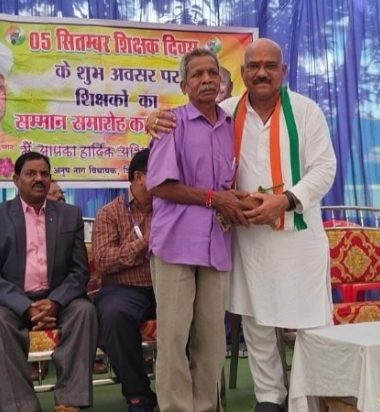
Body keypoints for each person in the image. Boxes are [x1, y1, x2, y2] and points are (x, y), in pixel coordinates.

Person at [149, 38, 337, 412]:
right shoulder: (226, 111)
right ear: (242, 73)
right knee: (255, 318)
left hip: (297, 233)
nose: (262, 72)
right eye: (254, 66)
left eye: (271, 65)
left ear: (284, 71)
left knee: (310, 322)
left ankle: (310, 401)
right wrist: (151, 120)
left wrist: (286, 200)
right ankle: (269, 398)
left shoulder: (306, 111)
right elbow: (179, 123)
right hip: (246, 237)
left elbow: (325, 168)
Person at [147, 47, 249, 412]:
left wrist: (235, 200)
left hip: (217, 243)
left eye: (212, 73)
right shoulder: (170, 123)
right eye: (197, 75)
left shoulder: (232, 125)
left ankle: (206, 407)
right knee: (174, 338)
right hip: (175, 244)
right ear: (184, 85)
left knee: (212, 339)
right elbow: (160, 185)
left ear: (222, 80)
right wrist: (214, 199)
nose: (207, 80)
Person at [0, 152, 97, 412]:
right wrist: (25, 307)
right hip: (9, 303)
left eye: (44, 174)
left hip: (57, 299)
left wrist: (55, 302)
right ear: (16, 179)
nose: (39, 179)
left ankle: (70, 402)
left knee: (84, 311)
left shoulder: (69, 214)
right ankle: (22, 407)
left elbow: (79, 271)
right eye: (31, 173)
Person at [92, 149, 157, 412]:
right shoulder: (110, 213)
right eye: (160, 173)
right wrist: (144, 242)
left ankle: (183, 389)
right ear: (139, 177)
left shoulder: (171, 208)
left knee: (192, 308)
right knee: (115, 314)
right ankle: (138, 395)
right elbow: (104, 260)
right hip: (125, 289)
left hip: (169, 284)